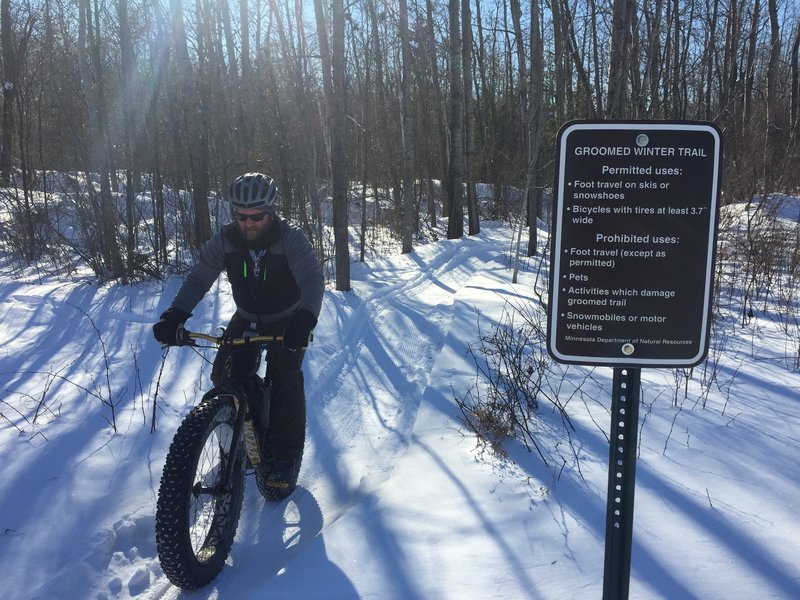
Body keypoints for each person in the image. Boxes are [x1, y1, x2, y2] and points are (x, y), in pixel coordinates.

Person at [153, 173, 324, 500]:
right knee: (224, 375)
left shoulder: (291, 239)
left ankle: (285, 457)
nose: (248, 223)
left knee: (285, 378)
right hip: (246, 316)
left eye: (256, 216)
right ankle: (248, 430)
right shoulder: (226, 240)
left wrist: (304, 318)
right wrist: (176, 314)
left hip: (287, 318)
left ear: (270, 213)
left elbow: (312, 281)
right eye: (241, 216)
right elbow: (200, 277)